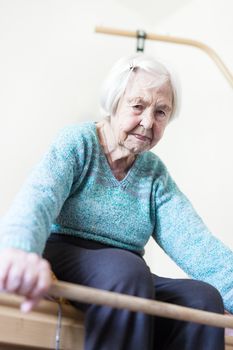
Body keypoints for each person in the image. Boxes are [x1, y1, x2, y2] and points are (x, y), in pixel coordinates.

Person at [0, 53, 232, 350]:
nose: (148, 122)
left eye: (161, 112)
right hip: (68, 254)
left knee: (203, 300)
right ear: (114, 102)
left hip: (126, 275)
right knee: (128, 269)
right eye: (138, 106)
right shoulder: (78, 143)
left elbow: (198, 245)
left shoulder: (154, 173)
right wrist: (19, 251)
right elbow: (38, 198)